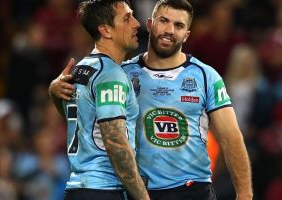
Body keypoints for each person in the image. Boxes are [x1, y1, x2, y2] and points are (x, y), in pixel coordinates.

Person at [49, 0, 253, 199]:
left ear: (187, 35)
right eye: (164, 21)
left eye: (179, 25)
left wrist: (244, 194)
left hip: (192, 190)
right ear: (149, 24)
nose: (170, 30)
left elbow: (231, 137)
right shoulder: (121, 73)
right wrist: (55, 92)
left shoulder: (206, 76)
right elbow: (90, 121)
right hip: (139, 190)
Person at [49, 0, 150, 200]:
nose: (137, 23)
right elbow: (115, 143)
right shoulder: (111, 75)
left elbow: (80, 121)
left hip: (77, 190)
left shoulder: (80, 70)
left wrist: (53, 94)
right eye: (127, 18)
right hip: (104, 190)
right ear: (105, 30)